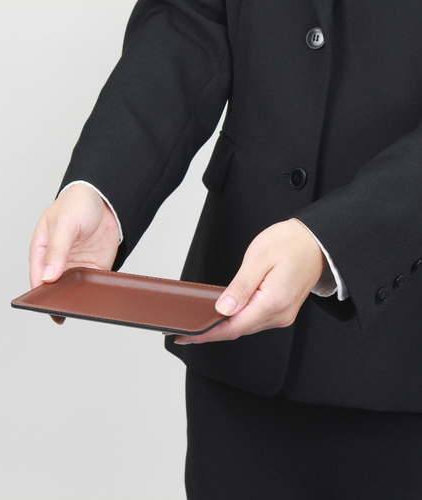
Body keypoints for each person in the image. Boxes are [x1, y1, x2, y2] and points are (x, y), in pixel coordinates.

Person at [29, 0, 422, 497]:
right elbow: (190, 19)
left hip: (405, 360)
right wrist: (104, 189)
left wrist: (333, 241)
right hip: (239, 356)